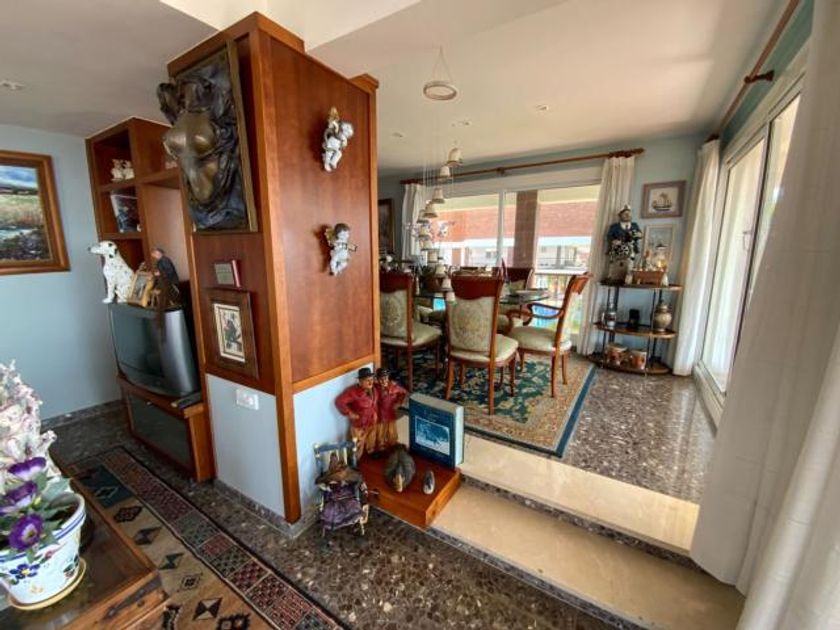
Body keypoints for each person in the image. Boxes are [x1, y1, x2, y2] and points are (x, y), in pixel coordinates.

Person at [334, 367, 379, 459]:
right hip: (359, 423)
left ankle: (371, 451)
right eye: (367, 380)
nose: (370, 382)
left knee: (371, 437)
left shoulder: (373, 389)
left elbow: (373, 403)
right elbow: (339, 401)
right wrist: (349, 413)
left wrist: (375, 413)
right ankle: (355, 459)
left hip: (371, 420)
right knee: (357, 443)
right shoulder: (352, 392)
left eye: (371, 379)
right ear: (360, 381)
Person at [375, 367, 407, 453]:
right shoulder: (375, 389)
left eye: (385, 378)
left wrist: (398, 403)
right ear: (377, 379)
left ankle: (393, 444)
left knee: (392, 430)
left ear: (388, 377)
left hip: (390, 412)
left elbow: (403, 393)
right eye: (381, 379)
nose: (383, 381)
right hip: (380, 414)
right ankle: (381, 446)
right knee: (381, 430)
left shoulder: (394, 387)